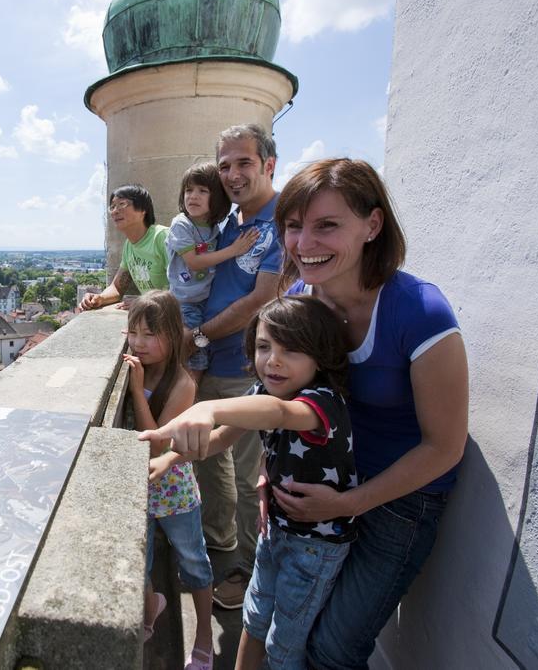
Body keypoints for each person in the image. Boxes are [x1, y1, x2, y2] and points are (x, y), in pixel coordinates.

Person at [165, 158, 469, 669]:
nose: (304, 243)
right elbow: (279, 400)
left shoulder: (419, 312)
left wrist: (346, 503)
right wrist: (275, 470)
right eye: (293, 226)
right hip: (322, 491)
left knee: (332, 648)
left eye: (327, 225)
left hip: (400, 500)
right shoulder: (304, 299)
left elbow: (445, 446)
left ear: (372, 226)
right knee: (279, 621)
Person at [142, 296, 355, 669]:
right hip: (274, 532)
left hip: (314, 546)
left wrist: (205, 408)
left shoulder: (321, 402)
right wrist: (169, 458)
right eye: (262, 346)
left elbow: (280, 414)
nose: (272, 360)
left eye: (290, 350)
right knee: (254, 620)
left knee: (284, 646)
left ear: (320, 357)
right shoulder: (262, 390)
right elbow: (222, 438)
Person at [193, 124, 285, 609]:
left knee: (252, 477)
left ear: (269, 164)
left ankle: (251, 577)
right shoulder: (232, 223)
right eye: (224, 164)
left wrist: (201, 334)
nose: (232, 174)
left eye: (243, 162)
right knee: (212, 460)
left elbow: (262, 299)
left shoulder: (283, 220)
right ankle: (223, 547)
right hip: (216, 362)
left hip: (249, 367)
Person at [123, 291, 213, 670]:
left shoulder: (183, 384)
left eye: (150, 334)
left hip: (173, 487)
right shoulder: (136, 364)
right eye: (133, 333)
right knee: (138, 563)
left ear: (173, 335)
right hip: (138, 484)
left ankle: (205, 636)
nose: (139, 343)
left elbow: (157, 444)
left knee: (193, 562)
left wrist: (136, 390)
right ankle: (151, 607)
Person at [166, 162, 259, 383]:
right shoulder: (182, 224)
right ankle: (187, 401)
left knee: (196, 354)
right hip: (186, 303)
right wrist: (233, 250)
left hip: (204, 302)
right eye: (189, 190)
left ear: (216, 197)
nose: (193, 196)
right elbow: (195, 262)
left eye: (202, 191)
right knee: (194, 359)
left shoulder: (214, 227)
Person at [81, 185, 169, 310]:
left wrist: (147, 302)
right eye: (112, 207)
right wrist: (99, 298)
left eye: (122, 204)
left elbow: (185, 287)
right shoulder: (129, 245)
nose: (115, 211)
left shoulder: (161, 237)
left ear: (143, 210)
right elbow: (117, 287)